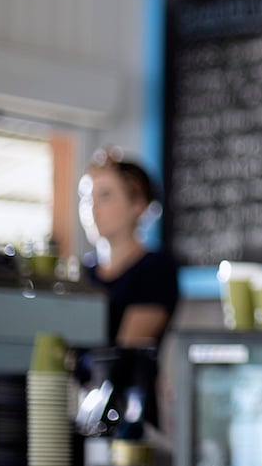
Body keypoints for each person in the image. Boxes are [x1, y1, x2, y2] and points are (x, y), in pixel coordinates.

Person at [81, 146, 179, 430]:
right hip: (83, 413)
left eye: (106, 195)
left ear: (138, 205)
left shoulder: (155, 269)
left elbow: (122, 356)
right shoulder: (82, 274)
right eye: (86, 197)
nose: (92, 207)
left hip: (129, 418)